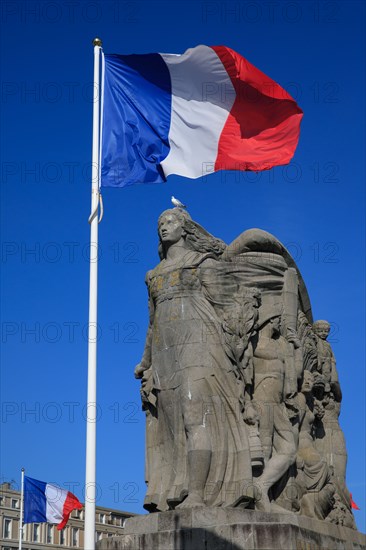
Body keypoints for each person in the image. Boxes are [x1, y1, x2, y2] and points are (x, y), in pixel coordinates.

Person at [135, 208, 253, 511]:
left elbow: (232, 308)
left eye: (170, 222)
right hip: (165, 355)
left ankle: (199, 495)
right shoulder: (153, 275)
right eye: (159, 223)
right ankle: (174, 491)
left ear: (185, 228)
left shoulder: (202, 263)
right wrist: (145, 360)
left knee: (194, 414)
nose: (163, 227)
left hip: (201, 348)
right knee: (171, 427)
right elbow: (153, 321)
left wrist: (241, 355)